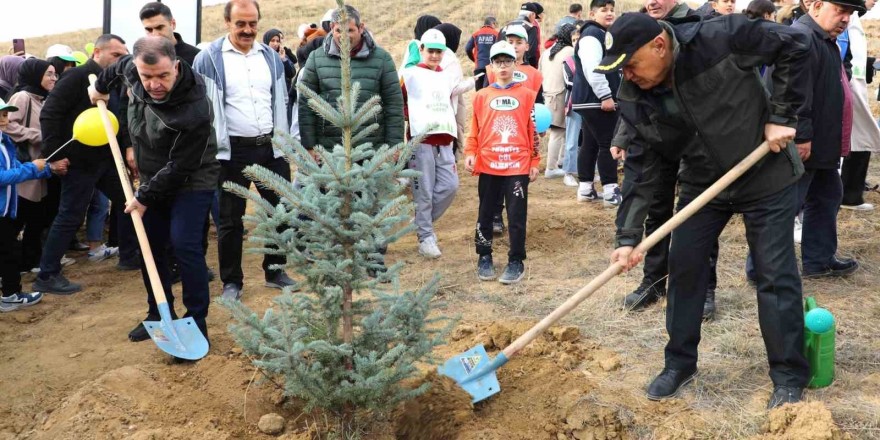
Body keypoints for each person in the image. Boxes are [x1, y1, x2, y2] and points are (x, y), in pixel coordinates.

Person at [600, 12, 812, 409]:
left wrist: (781, 116)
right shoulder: (637, 93)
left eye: (630, 64)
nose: (627, 75)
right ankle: (679, 363)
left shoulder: (720, 37)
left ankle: (788, 375)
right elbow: (643, 167)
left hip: (766, 173)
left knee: (774, 274)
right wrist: (628, 238)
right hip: (703, 184)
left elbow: (794, 46)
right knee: (685, 268)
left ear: (659, 46)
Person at [91, 36, 220, 347]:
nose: (154, 84)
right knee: (151, 247)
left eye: (163, 75)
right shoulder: (131, 70)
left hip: (192, 178)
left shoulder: (195, 105)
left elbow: (182, 165)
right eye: (147, 76)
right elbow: (113, 71)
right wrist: (99, 90)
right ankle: (157, 313)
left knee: (185, 245)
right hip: (151, 177)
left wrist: (144, 197)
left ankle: (196, 321)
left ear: (175, 66)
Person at [192, 0, 296, 301]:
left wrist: (283, 142)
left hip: (270, 150)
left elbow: (280, 101)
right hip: (230, 153)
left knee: (280, 212)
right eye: (241, 23)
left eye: (253, 23)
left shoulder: (271, 58)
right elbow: (203, 108)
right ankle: (232, 282)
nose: (248, 30)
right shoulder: (208, 59)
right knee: (229, 220)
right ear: (227, 22)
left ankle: (275, 271)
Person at [34, 34, 138, 295]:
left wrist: (127, 148)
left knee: (129, 204)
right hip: (79, 161)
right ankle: (47, 274)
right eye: (115, 55)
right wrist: (53, 154)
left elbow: (119, 118)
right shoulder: (77, 77)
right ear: (97, 53)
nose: (120, 60)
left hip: (108, 158)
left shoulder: (114, 81)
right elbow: (50, 113)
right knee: (70, 214)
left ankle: (129, 255)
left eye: (123, 56)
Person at [790, 0, 861, 278]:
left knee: (827, 196)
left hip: (824, 142)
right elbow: (794, 94)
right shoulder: (803, 38)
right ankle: (764, 268)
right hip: (806, 144)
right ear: (816, 5)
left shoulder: (824, 38)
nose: (845, 18)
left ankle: (818, 260)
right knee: (787, 205)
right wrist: (802, 136)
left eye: (850, 13)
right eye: (840, 11)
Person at [465, 41, 540, 285]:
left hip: (517, 165)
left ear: (515, 63)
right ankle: (484, 255)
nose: (503, 66)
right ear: (491, 66)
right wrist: (470, 151)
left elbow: (533, 131)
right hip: (488, 163)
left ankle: (516, 260)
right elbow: (474, 128)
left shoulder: (527, 95)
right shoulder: (481, 96)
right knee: (485, 213)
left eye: (508, 61)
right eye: (498, 62)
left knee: (517, 214)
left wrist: (535, 160)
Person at [400, 29, 473, 259]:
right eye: (430, 51)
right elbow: (400, 101)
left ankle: (421, 223)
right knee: (424, 191)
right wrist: (409, 114)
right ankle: (425, 238)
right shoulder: (411, 74)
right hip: (422, 141)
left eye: (439, 52)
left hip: (444, 141)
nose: (434, 56)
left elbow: (452, 94)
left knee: (450, 186)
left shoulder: (444, 75)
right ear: (421, 50)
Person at [0, 98, 69, 312]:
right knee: (9, 252)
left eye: (5, 114)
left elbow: (15, 166)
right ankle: (11, 295)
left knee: (7, 251)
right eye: (1, 115)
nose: (5, 119)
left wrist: (48, 169)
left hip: (5, 210)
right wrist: (33, 168)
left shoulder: (4, 139)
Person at [5, 58, 56, 273]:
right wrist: (38, 136)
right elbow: (7, 124)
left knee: (37, 216)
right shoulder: (23, 97)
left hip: (39, 167)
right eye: (49, 74)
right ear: (36, 76)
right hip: (24, 164)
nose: (54, 78)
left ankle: (30, 262)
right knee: (22, 217)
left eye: (55, 74)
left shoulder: (41, 98)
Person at [572, 0, 621, 206]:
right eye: (604, 10)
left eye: (611, 10)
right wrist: (606, 96)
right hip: (596, 100)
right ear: (592, 14)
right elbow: (594, 68)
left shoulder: (598, 33)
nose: (609, 13)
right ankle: (611, 191)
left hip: (588, 101)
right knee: (608, 143)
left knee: (590, 144)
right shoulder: (592, 35)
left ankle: (585, 189)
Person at [840, 0, 879, 211]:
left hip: (855, 84)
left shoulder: (853, 17)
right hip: (847, 84)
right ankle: (848, 194)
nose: (874, 2)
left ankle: (851, 194)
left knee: (861, 140)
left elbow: (854, 55)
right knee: (860, 138)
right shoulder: (842, 16)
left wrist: (871, 63)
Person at [539, 23, 576, 179]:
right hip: (562, 95)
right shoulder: (570, 51)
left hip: (548, 95)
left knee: (559, 132)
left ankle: (559, 163)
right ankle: (551, 167)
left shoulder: (546, 52)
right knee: (559, 132)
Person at [140, 2, 201, 66]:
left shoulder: (197, 57)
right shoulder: (142, 57)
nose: (155, 34)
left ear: (173, 24)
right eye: (149, 30)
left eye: (159, 27)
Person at [465, 17, 499, 91]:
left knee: (479, 92)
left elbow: (467, 48)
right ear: (493, 23)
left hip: (479, 67)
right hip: (492, 68)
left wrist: (474, 60)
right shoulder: (496, 34)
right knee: (491, 91)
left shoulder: (476, 34)